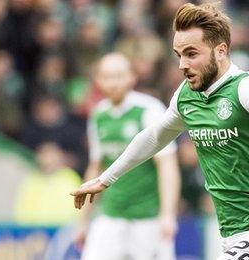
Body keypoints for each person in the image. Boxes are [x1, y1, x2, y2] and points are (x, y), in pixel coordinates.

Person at [70, 3, 249, 259]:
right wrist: (106, 179)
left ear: (221, 51)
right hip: (232, 233)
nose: (182, 64)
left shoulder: (248, 88)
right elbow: (153, 137)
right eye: (179, 55)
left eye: (192, 54)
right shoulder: (187, 96)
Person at [74, 53, 181, 260]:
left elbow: (167, 165)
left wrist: (168, 215)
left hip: (148, 218)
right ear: (98, 81)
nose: (113, 82)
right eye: (107, 76)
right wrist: (83, 222)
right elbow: (96, 167)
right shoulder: (98, 115)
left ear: (132, 77)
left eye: (119, 76)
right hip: (111, 216)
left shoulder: (149, 109)